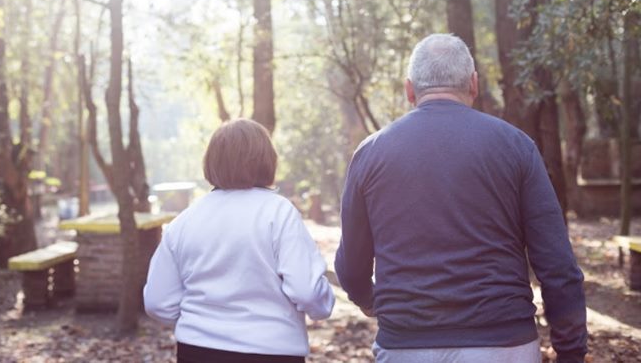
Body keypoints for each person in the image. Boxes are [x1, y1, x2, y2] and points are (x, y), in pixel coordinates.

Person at [334, 34, 588, 363]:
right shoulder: (516, 146)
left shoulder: (371, 153)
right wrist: (570, 352)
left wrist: (369, 299)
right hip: (504, 345)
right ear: (474, 84)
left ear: (409, 89)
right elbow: (557, 265)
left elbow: (350, 264)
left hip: (406, 345)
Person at [144, 118, 335, 363]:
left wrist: (199, 323)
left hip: (197, 350)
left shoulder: (184, 221)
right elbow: (306, 291)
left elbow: (157, 301)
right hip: (271, 351)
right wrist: (323, 307)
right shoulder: (278, 212)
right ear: (267, 161)